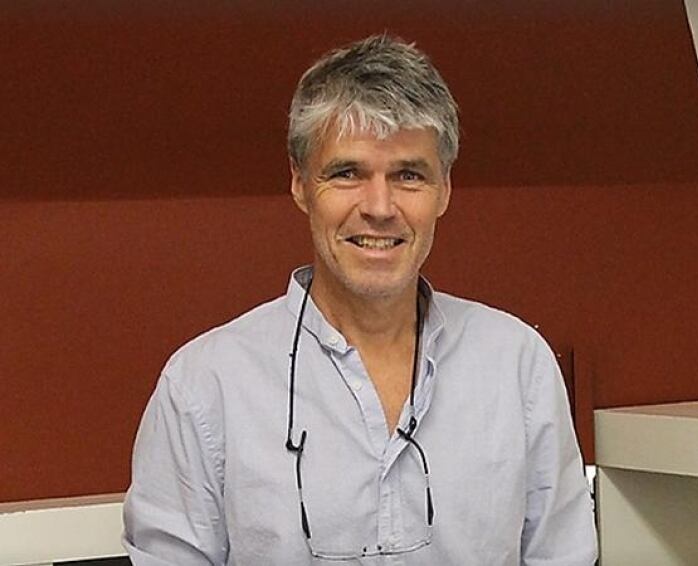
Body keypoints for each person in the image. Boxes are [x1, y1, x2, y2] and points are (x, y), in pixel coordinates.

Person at [122, 35, 598, 565]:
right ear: (301, 185)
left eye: (408, 175)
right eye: (347, 173)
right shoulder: (204, 386)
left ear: (445, 190)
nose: (379, 207)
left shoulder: (518, 364)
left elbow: (564, 556)